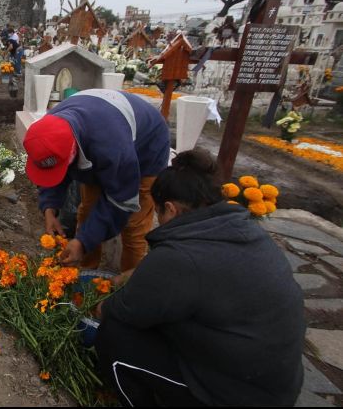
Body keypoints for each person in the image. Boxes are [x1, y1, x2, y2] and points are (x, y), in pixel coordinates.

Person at [95, 149, 305, 406]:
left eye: (158, 213)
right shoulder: (244, 231)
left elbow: (117, 311)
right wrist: (130, 277)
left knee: (114, 333)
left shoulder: (180, 257)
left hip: (236, 396)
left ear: (170, 210)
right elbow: (195, 276)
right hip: (271, 386)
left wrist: (99, 303)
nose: (158, 219)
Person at [23, 89, 169, 271]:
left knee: (134, 226)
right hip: (100, 132)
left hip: (148, 146)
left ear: (73, 152)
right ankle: (86, 273)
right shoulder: (49, 128)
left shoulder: (112, 148)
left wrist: (83, 242)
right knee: (87, 211)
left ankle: (129, 284)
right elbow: (53, 169)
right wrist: (49, 208)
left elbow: (121, 202)